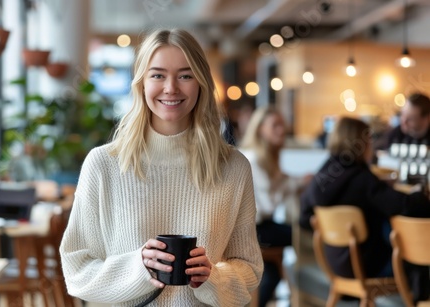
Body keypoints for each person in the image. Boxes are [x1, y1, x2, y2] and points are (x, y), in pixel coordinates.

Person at [59, 28, 263, 306]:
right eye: (157, 75)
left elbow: (248, 270)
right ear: (141, 83)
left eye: (185, 75)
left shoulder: (233, 167)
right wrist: (138, 267)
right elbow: (76, 271)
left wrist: (213, 277)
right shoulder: (104, 165)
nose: (171, 88)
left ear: (201, 82)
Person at [299, 116, 430, 303]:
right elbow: (404, 205)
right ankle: (420, 300)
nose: (371, 143)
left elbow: (304, 219)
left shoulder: (326, 171)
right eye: (369, 139)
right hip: (365, 267)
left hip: (336, 264)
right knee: (413, 252)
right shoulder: (362, 179)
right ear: (360, 143)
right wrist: (420, 194)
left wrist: (379, 185)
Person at [239, 106, 311, 306]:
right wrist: (293, 185)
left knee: (271, 275)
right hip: (252, 232)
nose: (282, 130)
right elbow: (269, 204)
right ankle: (309, 293)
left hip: (259, 229)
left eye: (282, 124)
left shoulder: (265, 157)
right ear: (260, 128)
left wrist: (293, 183)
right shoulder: (252, 159)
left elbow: (279, 184)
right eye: (275, 125)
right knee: (304, 233)